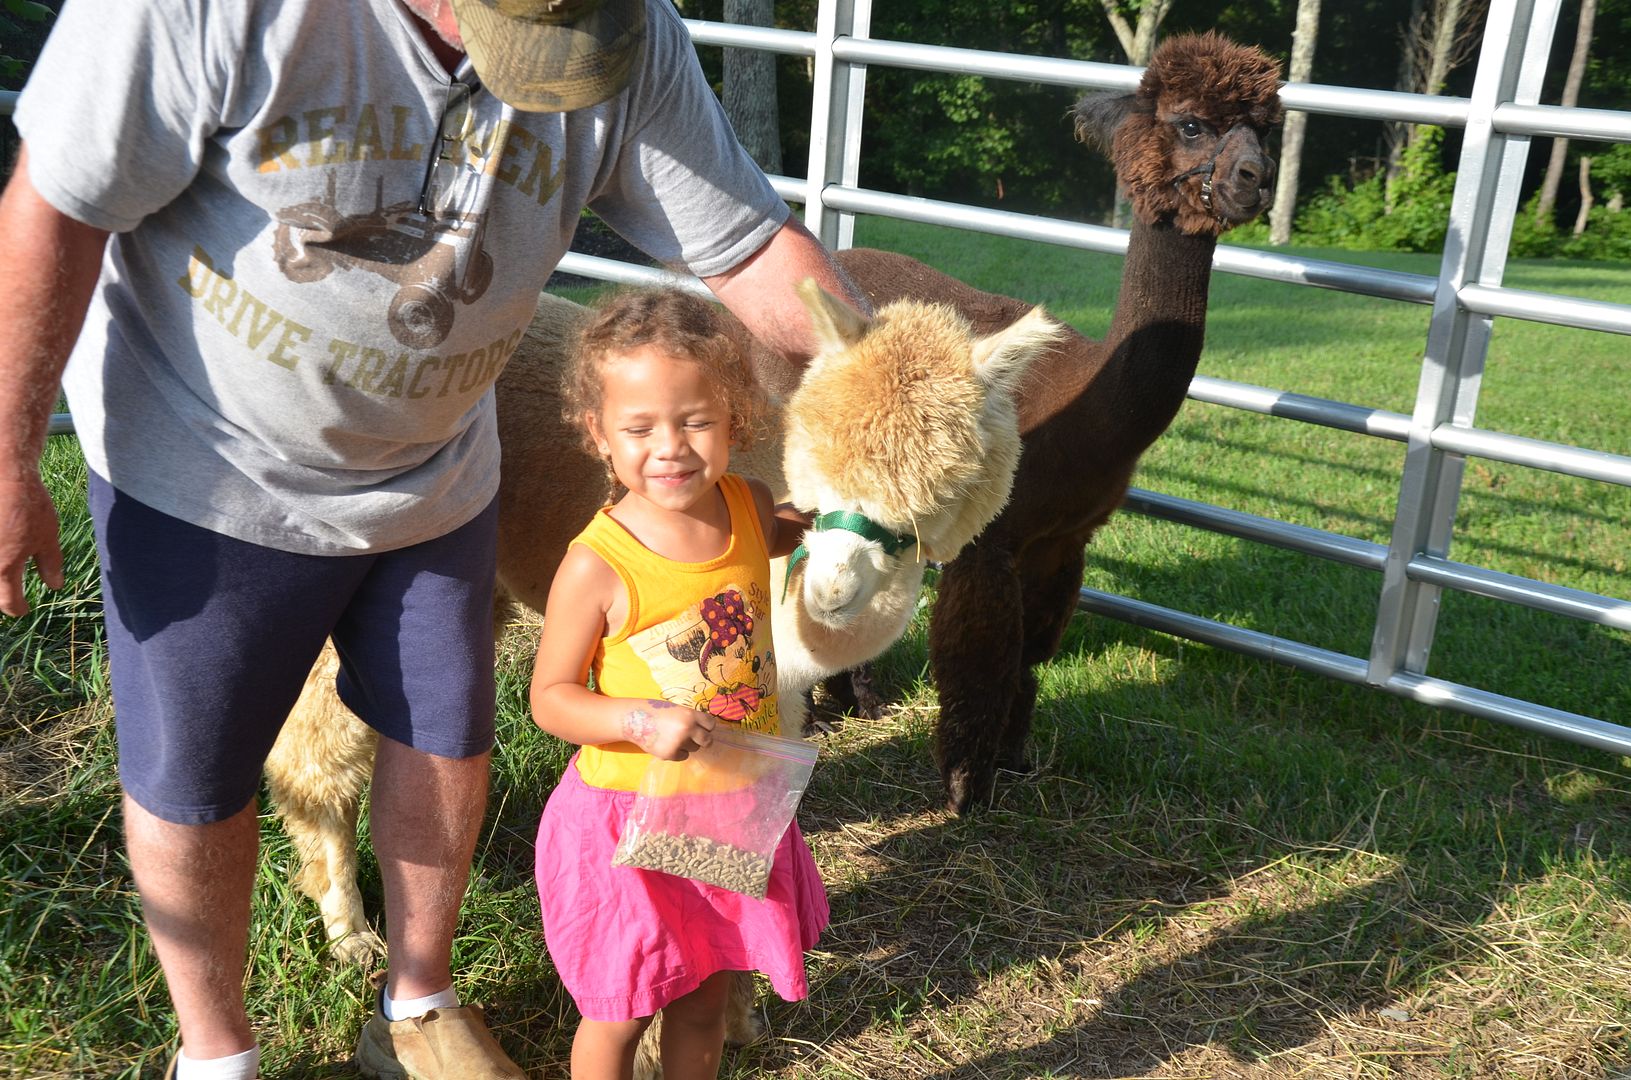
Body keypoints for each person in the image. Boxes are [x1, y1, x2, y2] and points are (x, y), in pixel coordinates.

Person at [0, 0, 866, 1077]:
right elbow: (55, 206)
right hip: (209, 468)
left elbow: (743, 246)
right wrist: (7, 451)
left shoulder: (624, 31)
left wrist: (883, 387)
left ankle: (416, 1009)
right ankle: (217, 1052)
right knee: (195, 773)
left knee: (443, 740)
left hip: (437, 466)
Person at [529, 287, 823, 1080]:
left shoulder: (747, 504)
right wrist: (634, 719)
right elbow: (549, 696)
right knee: (621, 1007)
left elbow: (775, 534)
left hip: (729, 804)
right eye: (639, 427)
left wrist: (827, 522)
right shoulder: (598, 563)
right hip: (627, 825)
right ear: (598, 434)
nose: (671, 448)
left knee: (705, 991)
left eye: (696, 420)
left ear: (737, 421)